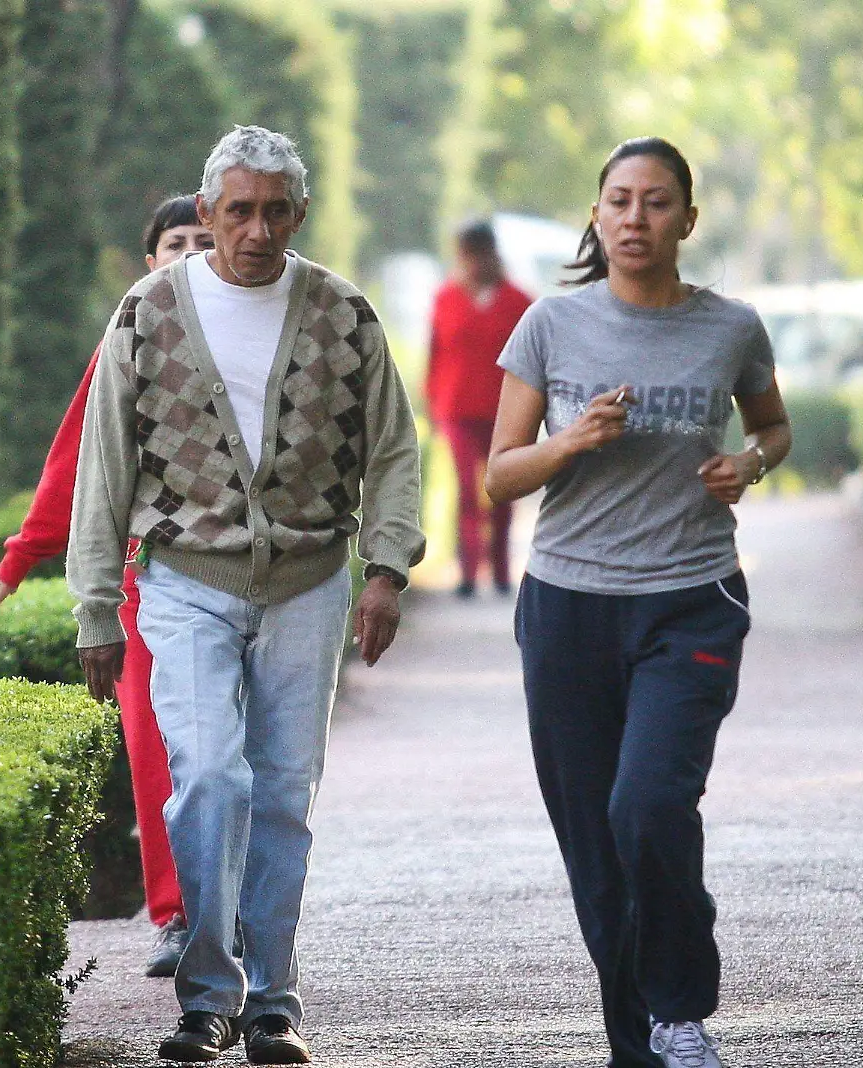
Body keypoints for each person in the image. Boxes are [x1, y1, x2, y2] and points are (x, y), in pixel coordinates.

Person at [68, 125, 424, 1065]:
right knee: (209, 780)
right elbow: (104, 467)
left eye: (275, 212)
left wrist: (386, 570)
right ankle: (206, 993)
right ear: (209, 211)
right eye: (238, 211)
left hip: (309, 581)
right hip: (186, 577)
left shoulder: (342, 313)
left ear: (297, 215)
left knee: (285, 793)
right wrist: (96, 606)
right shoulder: (147, 314)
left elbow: (391, 449)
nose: (257, 230)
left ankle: (271, 998)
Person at [486, 137, 792, 1068]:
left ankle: (681, 1007)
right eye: (618, 201)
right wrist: (570, 441)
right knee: (594, 843)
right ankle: (640, 1043)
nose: (634, 218)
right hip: (569, 607)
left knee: (649, 806)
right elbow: (499, 477)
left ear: (687, 221)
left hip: (689, 599)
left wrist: (750, 464)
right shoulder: (549, 325)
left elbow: (773, 428)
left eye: (656, 203)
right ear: (595, 214)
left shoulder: (730, 327)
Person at [0, 194, 211, 978]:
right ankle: (177, 918)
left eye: (205, 240)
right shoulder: (127, 340)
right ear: (151, 260)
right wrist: (14, 564)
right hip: (148, 579)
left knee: (229, 757)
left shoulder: (260, 336)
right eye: (176, 242)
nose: (190, 252)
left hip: (243, 576)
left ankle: (242, 913)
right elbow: (75, 461)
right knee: (155, 753)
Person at [425, 218, 533, 598]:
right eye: (465, 256)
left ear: (492, 254)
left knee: (502, 488)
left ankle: (502, 569)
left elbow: (532, 363)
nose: (472, 263)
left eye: (478, 254)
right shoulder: (446, 299)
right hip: (457, 408)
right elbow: (435, 353)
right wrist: (432, 405)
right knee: (467, 489)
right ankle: (469, 571)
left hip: (506, 411)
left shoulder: (520, 302)